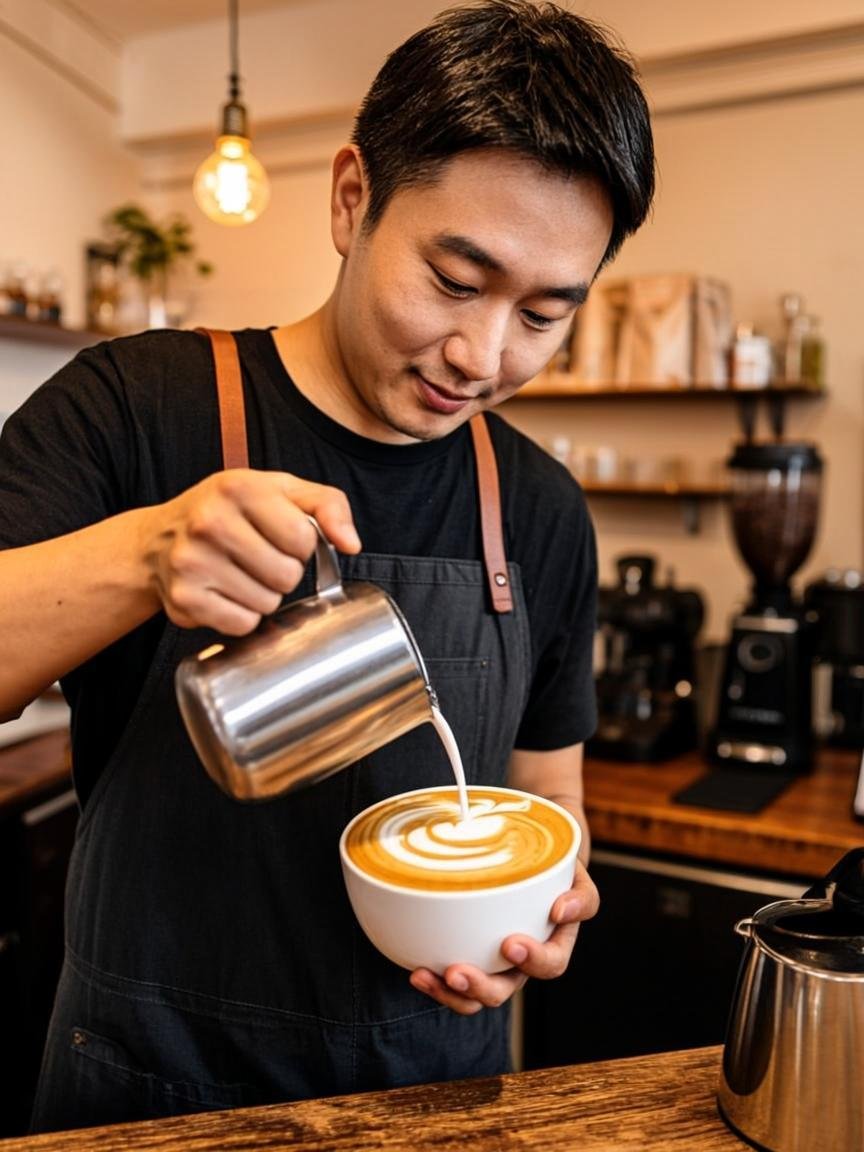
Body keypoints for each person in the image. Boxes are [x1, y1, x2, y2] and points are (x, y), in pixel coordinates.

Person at [0, 0, 654, 1133]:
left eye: (545, 314)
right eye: (455, 280)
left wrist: (550, 908)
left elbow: (547, 794)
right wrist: (146, 552)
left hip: (432, 1094)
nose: (483, 356)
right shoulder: (131, 408)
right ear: (353, 198)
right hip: (144, 1092)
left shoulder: (541, 509)